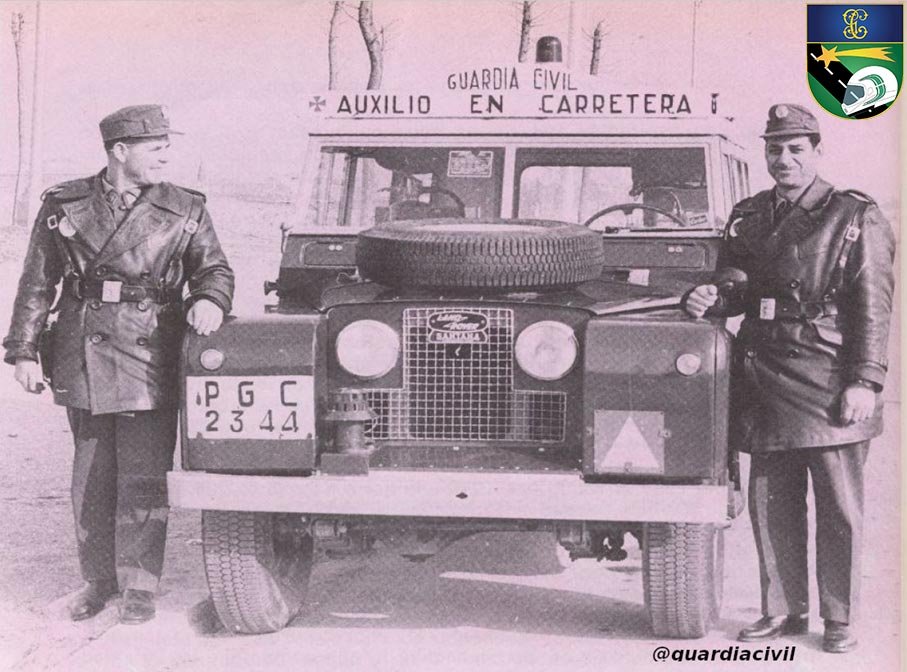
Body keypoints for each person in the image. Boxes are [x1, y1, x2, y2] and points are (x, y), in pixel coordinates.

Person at [3, 105, 235, 624]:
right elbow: (37, 283)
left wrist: (210, 300)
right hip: (81, 348)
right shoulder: (65, 203)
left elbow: (215, 268)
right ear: (120, 151)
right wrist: (21, 351)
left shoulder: (185, 208)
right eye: (156, 147)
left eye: (166, 145)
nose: (166, 155)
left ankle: (138, 587)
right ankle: (97, 581)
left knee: (143, 475)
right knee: (91, 476)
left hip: (149, 349)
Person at [685, 104, 895, 653]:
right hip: (764, 373)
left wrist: (865, 381)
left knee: (837, 509)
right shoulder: (750, 214)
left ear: (817, 151)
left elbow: (873, 306)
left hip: (827, 376)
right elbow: (736, 282)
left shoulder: (851, 215)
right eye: (775, 149)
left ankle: (840, 618)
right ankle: (781, 610)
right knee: (772, 502)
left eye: (796, 149)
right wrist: (713, 295)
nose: (784, 159)